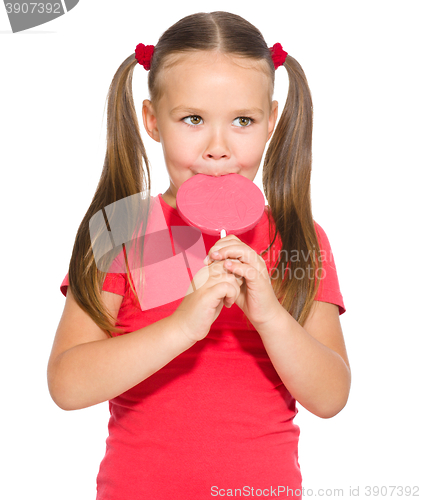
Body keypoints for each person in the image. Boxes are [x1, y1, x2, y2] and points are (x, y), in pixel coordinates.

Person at [47, 11, 351, 500]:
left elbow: (331, 395)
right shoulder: (124, 228)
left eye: (243, 121)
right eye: (193, 119)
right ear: (152, 121)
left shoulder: (297, 239)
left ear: (271, 121)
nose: (218, 148)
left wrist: (270, 316)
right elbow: (67, 384)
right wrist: (183, 327)